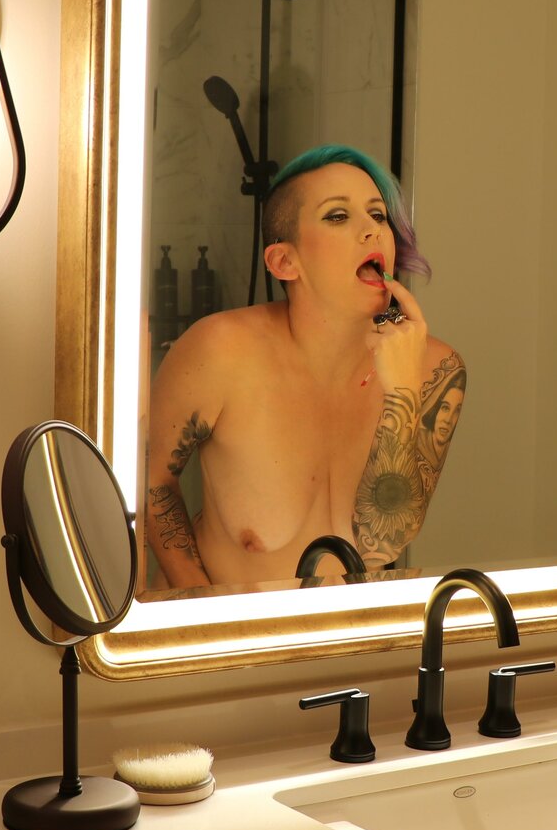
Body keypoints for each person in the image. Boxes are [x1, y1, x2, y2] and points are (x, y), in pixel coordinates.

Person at [145, 144, 464, 587]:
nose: (372, 231)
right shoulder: (220, 350)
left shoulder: (435, 368)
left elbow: (380, 546)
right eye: (338, 216)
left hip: (344, 627)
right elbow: (150, 480)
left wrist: (403, 394)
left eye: (378, 215)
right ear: (284, 262)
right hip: (222, 624)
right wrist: (198, 602)